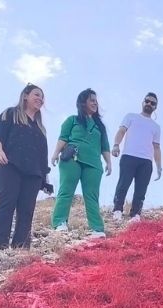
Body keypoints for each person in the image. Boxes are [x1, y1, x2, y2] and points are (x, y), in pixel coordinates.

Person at [0, 84, 53, 249]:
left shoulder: (40, 129)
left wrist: (45, 179)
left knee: (27, 210)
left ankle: (21, 248)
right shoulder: (11, 114)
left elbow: (42, 156)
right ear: (25, 96)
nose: (40, 99)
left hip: (33, 174)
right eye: (36, 94)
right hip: (9, 165)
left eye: (42, 97)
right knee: (7, 203)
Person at [50, 89, 111, 239]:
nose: (95, 103)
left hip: (94, 163)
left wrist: (109, 162)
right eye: (91, 100)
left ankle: (97, 228)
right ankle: (60, 222)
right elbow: (63, 138)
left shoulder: (100, 126)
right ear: (83, 102)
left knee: (92, 195)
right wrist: (55, 153)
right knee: (66, 190)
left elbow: (105, 146)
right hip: (72, 158)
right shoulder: (72, 120)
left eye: (96, 100)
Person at [111, 92, 163, 223]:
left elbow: (156, 147)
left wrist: (159, 166)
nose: (149, 104)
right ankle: (117, 210)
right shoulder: (131, 116)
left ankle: (135, 214)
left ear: (155, 107)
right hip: (129, 156)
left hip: (146, 161)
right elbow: (121, 131)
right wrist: (116, 145)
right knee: (123, 184)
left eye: (152, 103)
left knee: (141, 189)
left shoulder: (156, 127)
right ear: (143, 102)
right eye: (147, 101)